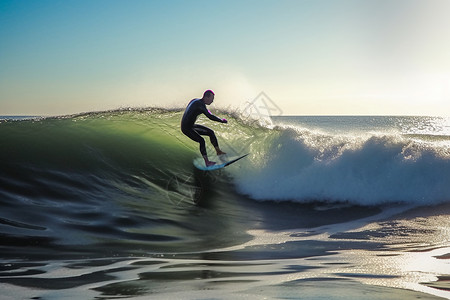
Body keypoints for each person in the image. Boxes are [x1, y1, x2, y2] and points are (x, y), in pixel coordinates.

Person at [181, 90, 227, 166]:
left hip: (191, 126)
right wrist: (221, 120)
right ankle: (207, 162)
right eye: (212, 99)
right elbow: (210, 116)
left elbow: (206, 111)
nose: (212, 101)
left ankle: (218, 151)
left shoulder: (196, 101)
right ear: (206, 97)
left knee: (211, 132)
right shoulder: (200, 105)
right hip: (186, 128)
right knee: (201, 140)